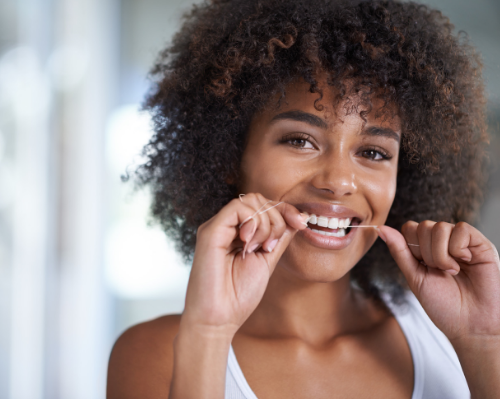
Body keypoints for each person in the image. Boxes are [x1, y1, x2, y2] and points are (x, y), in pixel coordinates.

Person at [107, 0, 500, 398]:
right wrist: (209, 332)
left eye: (374, 152)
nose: (339, 182)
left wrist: (484, 343)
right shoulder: (157, 353)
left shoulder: (452, 336)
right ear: (229, 156)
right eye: (300, 140)